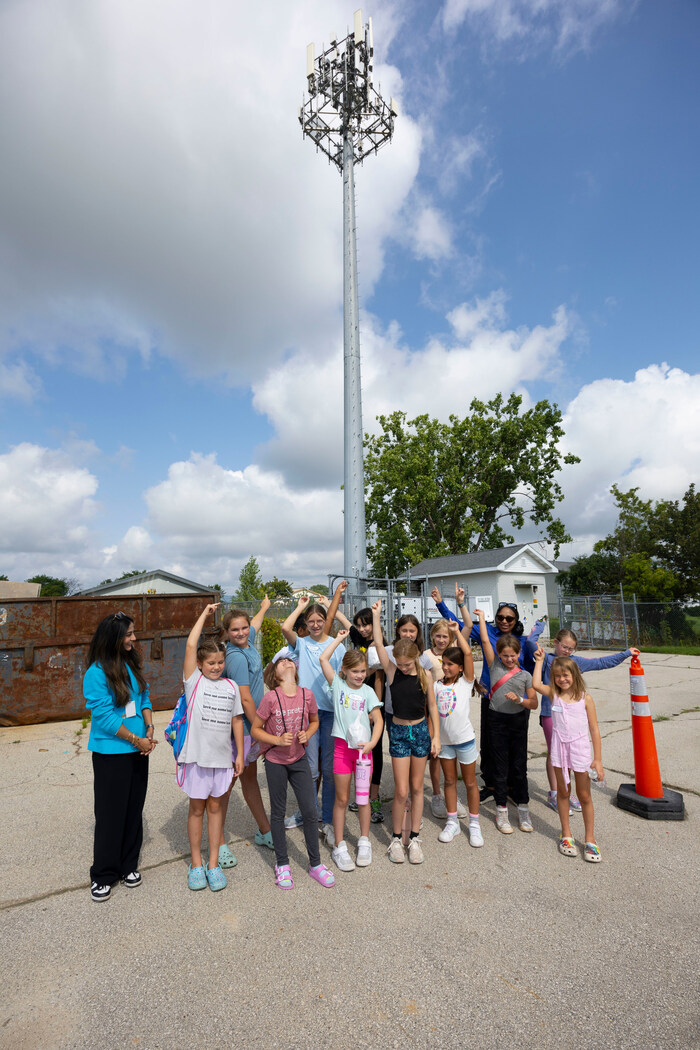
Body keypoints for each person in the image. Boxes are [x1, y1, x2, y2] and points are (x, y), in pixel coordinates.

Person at [432, 585, 544, 802]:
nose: (504, 621)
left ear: (516, 621)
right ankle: (492, 785)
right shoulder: (488, 632)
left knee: (515, 747)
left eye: (509, 619)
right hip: (490, 697)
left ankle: (512, 786)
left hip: (516, 702)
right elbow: (458, 623)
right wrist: (440, 603)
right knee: (490, 744)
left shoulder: (522, 642)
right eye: (500, 617)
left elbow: (532, 670)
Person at [83, 611, 157, 903]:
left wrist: (149, 729)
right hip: (112, 752)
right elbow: (103, 716)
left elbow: (145, 697)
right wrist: (136, 739)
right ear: (113, 637)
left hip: (140, 748)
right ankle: (103, 873)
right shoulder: (96, 673)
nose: (133, 638)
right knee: (110, 813)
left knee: (132, 809)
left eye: (133, 633)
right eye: (128, 634)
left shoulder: (131, 663)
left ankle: (128, 865)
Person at [526, 628, 638, 814]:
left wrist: (625, 653)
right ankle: (556, 792)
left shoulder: (576, 663)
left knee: (570, 755)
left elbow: (601, 662)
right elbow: (530, 643)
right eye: (564, 646)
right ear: (556, 642)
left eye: (571, 649)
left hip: (572, 716)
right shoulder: (547, 659)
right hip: (550, 714)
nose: (567, 651)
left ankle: (567, 792)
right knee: (555, 754)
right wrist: (538, 627)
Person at [251, 658, 335, 889]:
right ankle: (282, 864)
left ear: (296, 670)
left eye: (290, 660)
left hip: (299, 760)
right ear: (275, 674)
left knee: (309, 810)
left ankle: (315, 864)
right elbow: (255, 730)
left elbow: (315, 721)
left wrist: (308, 733)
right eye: (282, 662)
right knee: (277, 813)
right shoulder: (270, 698)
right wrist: (277, 739)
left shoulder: (307, 695)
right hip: (275, 761)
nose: (287, 662)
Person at [179, 603, 245, 891]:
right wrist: (203, 615)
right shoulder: (194, 683)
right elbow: (191, 643)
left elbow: (237, 723)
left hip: (222, 760)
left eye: (220, 662)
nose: (216, 667)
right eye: (211, 663)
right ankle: (196, 864)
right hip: (196, 758)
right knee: (197, 809)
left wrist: (240, 754)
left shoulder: (231, 687)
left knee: (216, 808)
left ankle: (214, 863)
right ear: (200, 666)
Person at [371, 601, 440, 865]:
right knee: (400, 791)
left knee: (416, 788)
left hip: (421, 731)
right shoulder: (391, 671)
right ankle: (396, 839)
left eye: (407, 664)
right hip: (398, 732)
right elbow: (378, 643)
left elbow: (432, 706)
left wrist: (436, 737)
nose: (403, 668)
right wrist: (377, 616)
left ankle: (415, 838)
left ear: (415, 659)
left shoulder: (425, 674)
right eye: (399, 664)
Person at [281, 594, 346, 847]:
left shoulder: (337, 645)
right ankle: (308, 813)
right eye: (312, 621)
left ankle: (328, 819)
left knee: (329, 771)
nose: (317, 624)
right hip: (307, 714)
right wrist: (299, 607)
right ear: (306, 623)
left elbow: (342, 676)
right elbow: (285, 627)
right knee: (310, 770)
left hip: (330, 713)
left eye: (320, 620)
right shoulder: (303, 644)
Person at [319, 631, 384, 871]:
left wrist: (372, 744)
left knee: (363, 798)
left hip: (363, 754)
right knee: (342, 799)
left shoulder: (368, 692)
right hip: (341, 751)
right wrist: (337, 639)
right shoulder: (337, 685)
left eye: (363, 671)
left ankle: (364, 841)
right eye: (355, 671)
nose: (359, 676)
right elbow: (323, 660)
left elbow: (378, 719)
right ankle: (339, 845)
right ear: (344, 670)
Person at [532, 647, 603, 862]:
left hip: (580, 750)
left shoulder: (585, 699)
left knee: (584, 796)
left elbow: (594, 730)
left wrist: (597, 760)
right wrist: (539, 660)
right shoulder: (554, 695)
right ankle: (566, 834)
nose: (562, 679)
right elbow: (536, 685)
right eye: (558, 676)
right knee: (563, 793)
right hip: (559, 750)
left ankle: (590, 839)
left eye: (566, 675)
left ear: (575, 676)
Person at [473, 608, 538, 834]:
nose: (509, 659)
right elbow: (484, 639)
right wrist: (481, 619)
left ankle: (523, 810)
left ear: (519, 654)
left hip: (517, 722)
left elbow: (533, 703)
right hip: (496, 721)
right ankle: (502, 812)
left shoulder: (525, 676)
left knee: (519, 767)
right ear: (499, 655)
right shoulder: (494, 667)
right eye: (505, 655)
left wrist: (520, 699)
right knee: (499, 767)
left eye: (513, 655)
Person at [221, 598, 274, 866]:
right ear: (226, 633)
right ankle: (218, 843)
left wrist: (263, 607)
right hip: (242, 729)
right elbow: (245, 699)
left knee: (250, 781)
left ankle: (265, 832)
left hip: (251, 728)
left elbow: (255, 625)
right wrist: (259, 729)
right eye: (235, 630)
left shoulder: (249, 641)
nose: (242, 633)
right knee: (225, 787)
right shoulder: (236, 657)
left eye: (243, 628)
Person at [434, 596, 484, 847]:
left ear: (460, 668)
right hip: (444, 744)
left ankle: (474, 823)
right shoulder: (435, 686)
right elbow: (432, 715)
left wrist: (456, 632)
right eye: (443, 663)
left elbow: (466, 652)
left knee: (471, 782)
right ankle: (452, 821)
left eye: (450, 665)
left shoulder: (465, 683)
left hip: (464, 741)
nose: (445, 667)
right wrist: (435, 739)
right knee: (449, 782)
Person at [347, 607, 386, 823]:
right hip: (357, 702)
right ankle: (361, 794)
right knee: (358, 747)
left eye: (366, 624)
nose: (362, 629)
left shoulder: (379, 644)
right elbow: (346, 623)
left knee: (375, 749)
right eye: (360, 625)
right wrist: (330, 601)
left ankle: (374, 797)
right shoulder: (359, 638)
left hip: (373, 704)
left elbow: (379, 678)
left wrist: (376, 708)